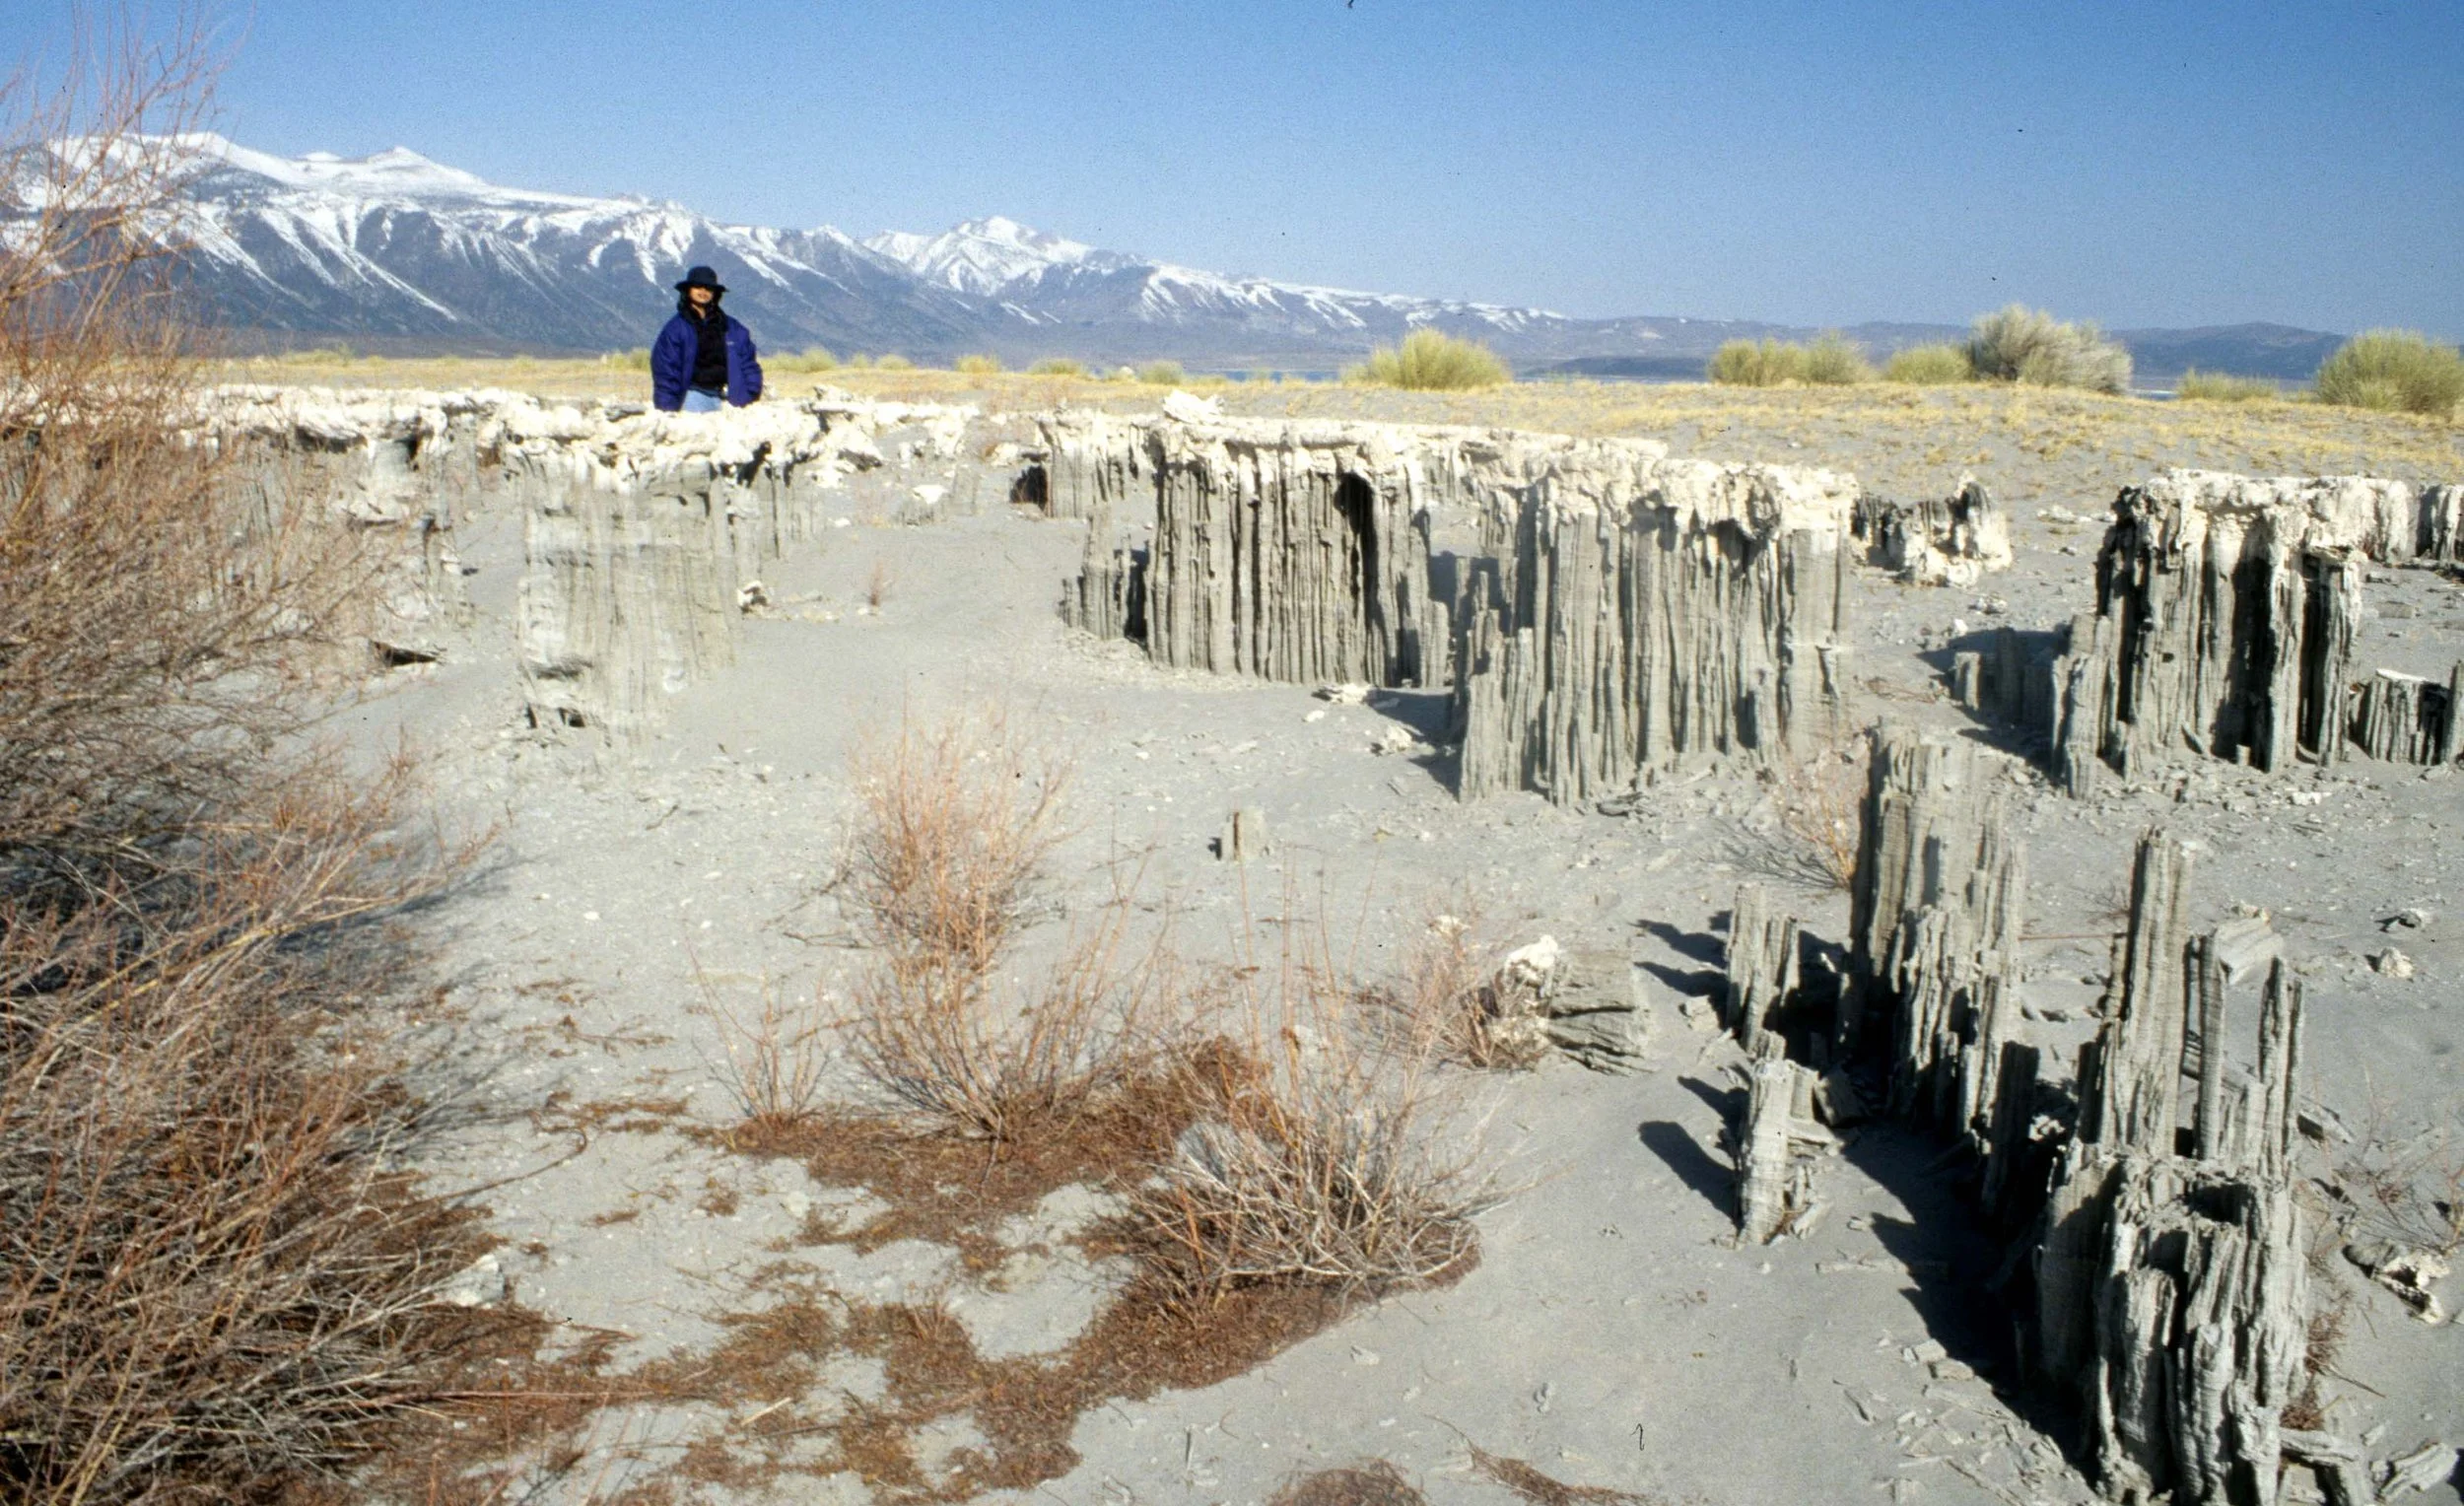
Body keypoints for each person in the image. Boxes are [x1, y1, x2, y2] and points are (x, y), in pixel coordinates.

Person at [651, 265, 763, 412]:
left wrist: (750, 392)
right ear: (688, 290)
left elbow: (748, 362)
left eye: (708, 288)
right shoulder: (676, 329)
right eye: (698, 287)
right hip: (693, 397)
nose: (703, 292)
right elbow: (666, 369)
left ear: (715, 294)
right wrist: (667, 407)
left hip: (731, 400)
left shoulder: (732, 328)